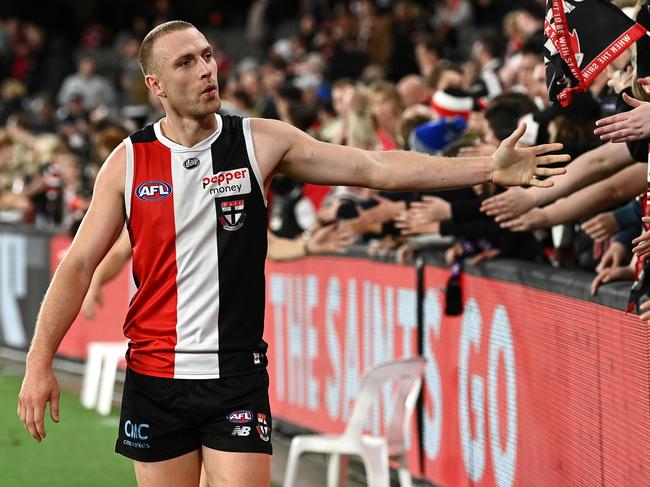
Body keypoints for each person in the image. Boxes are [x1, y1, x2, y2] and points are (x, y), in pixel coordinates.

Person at [17, 21, 568, 487]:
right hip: (155, 376)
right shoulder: (129, 161)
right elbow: (79, 264)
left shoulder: (260, 141)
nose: (207, 69)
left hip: (235, 374)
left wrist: (486, 169)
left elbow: (372, 169)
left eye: (208, 56)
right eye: (187, 63)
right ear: (155, 84)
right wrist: (40, 359)